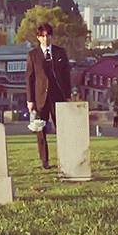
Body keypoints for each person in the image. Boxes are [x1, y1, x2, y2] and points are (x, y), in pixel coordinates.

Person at [26, 23, 71, 169]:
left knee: (62, 128)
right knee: (40, 130)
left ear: (51, 36)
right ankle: (44, 161)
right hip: (40, 98)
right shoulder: (33, 55)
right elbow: (30, 79)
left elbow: (66, 75)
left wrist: (68, 95)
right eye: (43, 36)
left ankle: (66, 158)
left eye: (48, 35)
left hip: (58, 96)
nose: (46, 39)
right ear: (38, 38)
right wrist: (30, 100)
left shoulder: (60, 52)